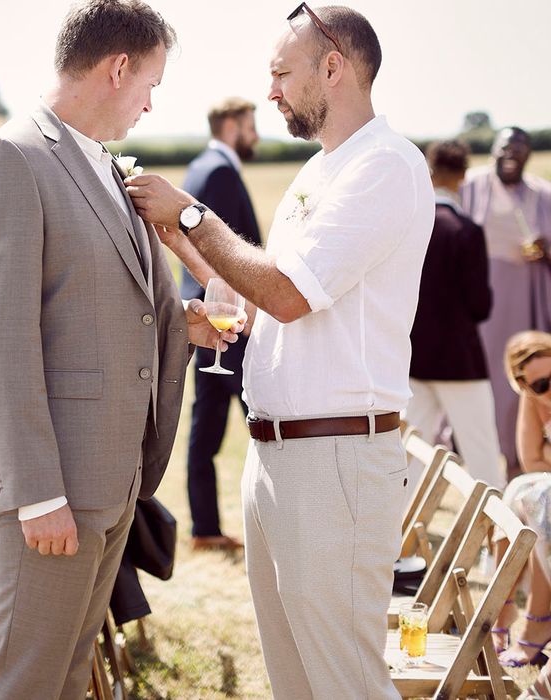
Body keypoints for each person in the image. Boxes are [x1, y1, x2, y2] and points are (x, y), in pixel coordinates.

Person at [127, 4, 434, 697]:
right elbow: (266, 297)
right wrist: (186, 248)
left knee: (343, 679)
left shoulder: (384, 166)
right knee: (296, 680)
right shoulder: (321, 171)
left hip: (335, 461)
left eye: (280, 74)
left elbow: (291, 294)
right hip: (279, 458)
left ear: (335, 67)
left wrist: (192, 214)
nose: (270, 93)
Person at [0, 2, 242, 698]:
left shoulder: (99, 164)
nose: (151, 103)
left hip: (109, 480)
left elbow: (105, 308)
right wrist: (37, 492)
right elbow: (0, 337)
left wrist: (183, 324)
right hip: (53, 488)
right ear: (118, 68)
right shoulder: (8, 159)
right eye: (150, 84)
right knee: (24, 681)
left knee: (68, 678)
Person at [181, 97, 262, 551]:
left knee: (207, 426)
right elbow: (231, 252)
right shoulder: (220, 173)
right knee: (263, 420)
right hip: (228, 318)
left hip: (206, 316)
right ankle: (276, 524)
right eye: (251, 125)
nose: (256, 134)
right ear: (232, 125)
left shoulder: (198, 168)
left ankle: (205, 529)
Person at [406, 140, 505, 489]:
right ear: (463, 175)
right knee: (482, 453)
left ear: (430, 172)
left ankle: (396, 532)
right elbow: (480, 306)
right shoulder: (467, 231)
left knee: (410, 450)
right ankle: (497, 541)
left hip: (413, 356)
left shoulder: (408, 226)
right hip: (461, 362)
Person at [461, 128, 551, 478]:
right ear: (492, 152)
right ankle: (481, 456)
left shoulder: (542, 194)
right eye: (505, 149)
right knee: (483, 382)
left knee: (522, 380)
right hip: (480, 309)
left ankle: (521, 456)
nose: (512, 155)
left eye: (520, 150)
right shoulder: (469, 187)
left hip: (527, 304)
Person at [490, 331, 551, 668]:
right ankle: (503, 607)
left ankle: (539, 620)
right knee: (516, 491)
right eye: (540, 385)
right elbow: (531, 460)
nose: (550, 388)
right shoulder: (534, 400)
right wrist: (535, 401)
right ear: (525, 387)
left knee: (542, 497)